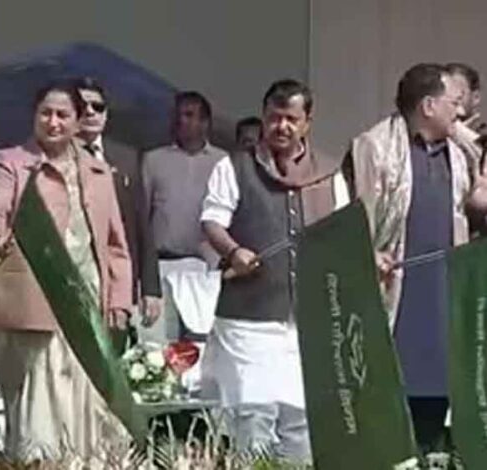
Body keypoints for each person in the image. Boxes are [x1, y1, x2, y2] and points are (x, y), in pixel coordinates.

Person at [0, 80, 132, 459]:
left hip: (87, 302)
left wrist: (120, 300)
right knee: (40, 400)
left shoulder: (98, 173)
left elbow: (116, 245)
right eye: (45, 113)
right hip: (36, 297)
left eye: (63, 115)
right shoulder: (12, 161)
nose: (53, 122)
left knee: (90, 396)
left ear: (78, 121)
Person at [199, 79, 348, 463]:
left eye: (291, 119)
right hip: (249, 322)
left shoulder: (330, 173)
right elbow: (212, 220)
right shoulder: (234, 166)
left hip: (307, 323)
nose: (281, 126)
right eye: (274, 118)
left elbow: (344, 235)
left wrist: (368, 259)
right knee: (253, 422)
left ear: (307, 122)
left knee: (301, 426)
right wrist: (233, 251)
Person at [348, 63, 487, 456]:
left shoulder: (461, 150)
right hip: (396, 292)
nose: (459, 111)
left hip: (444, 289)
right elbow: (355, 218)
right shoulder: (375, 147)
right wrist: (367, 253)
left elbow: (474, 199)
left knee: (439, 391)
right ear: (428, 106)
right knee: (392, 395)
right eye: (452, 103)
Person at [74, 76, 162, 337]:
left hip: (118, 280)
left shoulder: (126, 157)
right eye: (81, 106)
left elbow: (141, 223)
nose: (90, 112)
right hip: (75, 274)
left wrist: (150, 288)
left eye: (97, 106)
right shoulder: (56, 157)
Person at [140, 92, 227, 345]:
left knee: (200, 345)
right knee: (158, 346)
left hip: (205, 269)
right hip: (161, 266)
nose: (181, 120)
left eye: (189, 115)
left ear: (205, 122)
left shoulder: (223, 162)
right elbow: (142, 215)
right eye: (177, 115)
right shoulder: (153, 159)